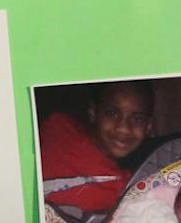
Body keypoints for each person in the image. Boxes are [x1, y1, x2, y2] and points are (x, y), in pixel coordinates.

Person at [37, 79, 156, 218]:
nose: (123, 128)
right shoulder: (57, 130)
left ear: (148, 127)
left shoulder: (127, 190)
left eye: (137, 119)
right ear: (94, 113)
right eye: (112, 113)